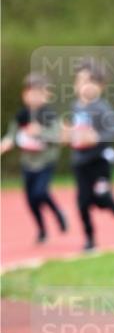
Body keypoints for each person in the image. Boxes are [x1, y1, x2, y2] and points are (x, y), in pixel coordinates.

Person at [1, 73, 67, 244]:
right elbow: (12, 134)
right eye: (30, 93)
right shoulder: (21, 115)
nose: (34, 97)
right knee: (31, 199)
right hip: (27, 163)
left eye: (38, 93)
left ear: (46, 95)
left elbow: (57, 137)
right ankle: (42, 230)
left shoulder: (49, 115)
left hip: (45, 162)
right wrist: (7, 142)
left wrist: (41, 133)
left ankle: (58, 213)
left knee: (40, 192)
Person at [65, 60, 114, 252]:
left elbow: (113, 131)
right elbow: (73, 131)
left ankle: (110, 202)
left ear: (100, 86)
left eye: (89, 82)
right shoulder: (75, 107)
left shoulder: (102, 107)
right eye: (80, 81)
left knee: (100, 197)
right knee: (82, 202)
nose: (83, 86)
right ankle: (89, 239)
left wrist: (97, 137)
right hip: (80, 162)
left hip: (99, 162)